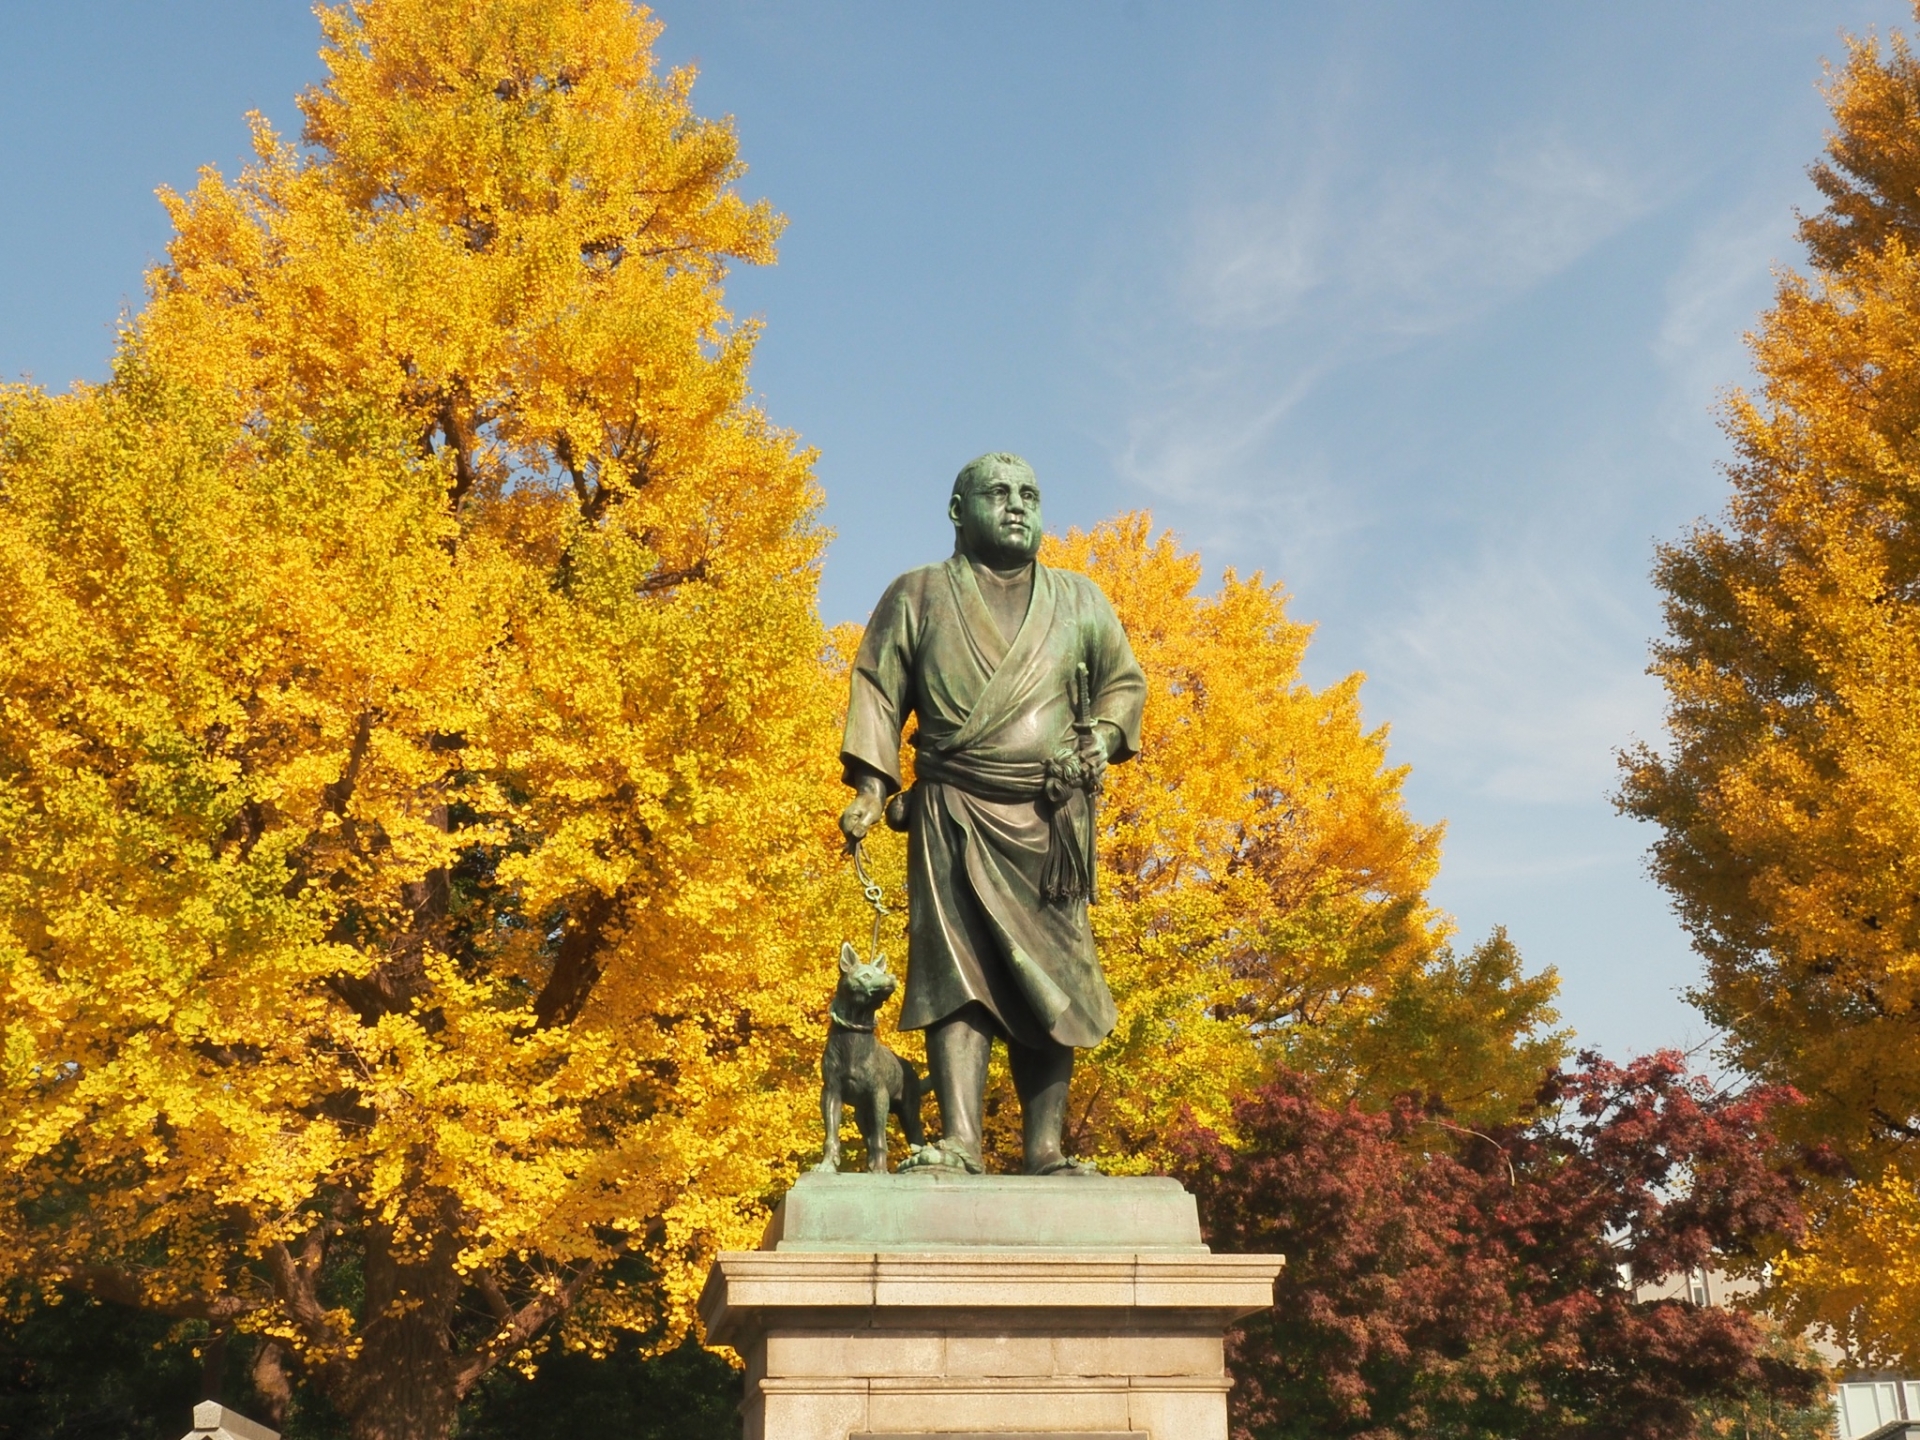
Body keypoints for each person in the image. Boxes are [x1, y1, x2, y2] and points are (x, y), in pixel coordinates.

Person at [838, 452, 1146, 1174]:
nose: (1017, 506)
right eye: (999, 493)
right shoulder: (915, 595)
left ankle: (1045, 1148)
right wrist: (870, 788)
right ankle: (962, 1142)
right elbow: (878, 690)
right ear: (958, 510)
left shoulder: (1080, 599)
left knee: (1055, 980)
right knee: (957, 973)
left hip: (1051, 814)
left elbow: (1123, 685)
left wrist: (1101, 737)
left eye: (1031, 495)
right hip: (950, 807)